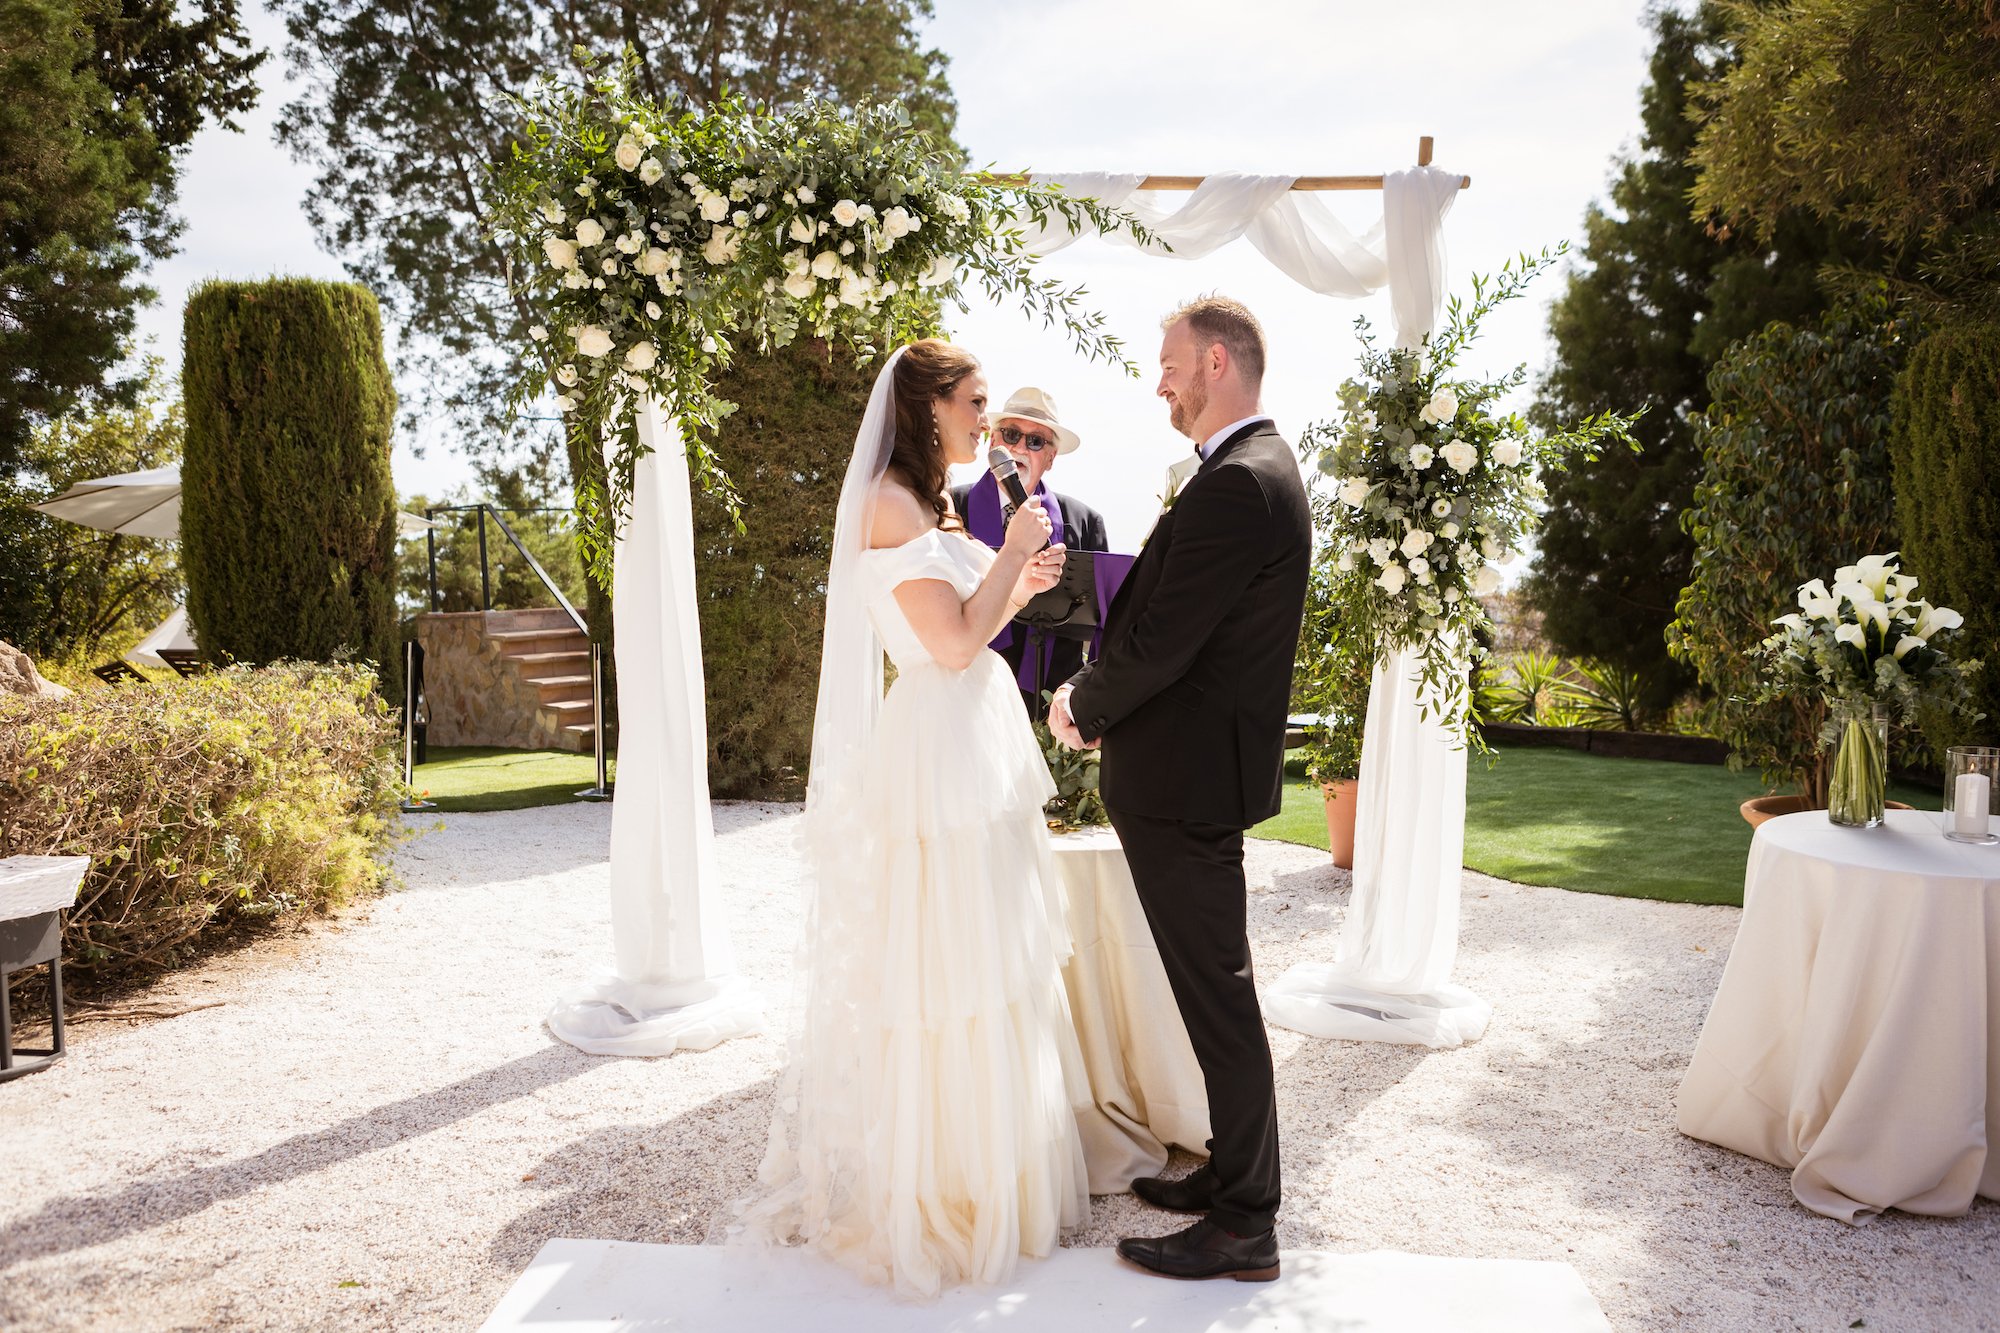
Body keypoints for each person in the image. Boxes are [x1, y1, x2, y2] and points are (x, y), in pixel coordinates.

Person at [737, 340, 1090, 1298]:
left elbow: (979, 619)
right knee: (948, 967)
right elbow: (946, 642)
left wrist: (1020, 578)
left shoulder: (930, 503)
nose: (988, 419)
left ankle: (996, 1162)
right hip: (938, 745)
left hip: (973, 731)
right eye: (977, 401)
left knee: (992, 955)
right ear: (929, 404)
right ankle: (941, 1184)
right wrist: (1013, 552)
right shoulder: (891, 503)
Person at [1050, 297, 1310, 1283]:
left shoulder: (1241, 482)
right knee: (1213, 988)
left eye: (1165, 364)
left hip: (1184, 778)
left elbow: (1166, 641)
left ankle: (1245, 1221)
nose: (1155, 381)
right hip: (1190, 773)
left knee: (1219, 996)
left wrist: (1083, 701)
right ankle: (1230, 1174)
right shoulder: (1246, 473)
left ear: (1213, 362)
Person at [949, 387, 1111, 718]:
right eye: (1010, 434)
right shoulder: (952, 507)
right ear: (993, 443)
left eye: (1036, 441)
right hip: (964, 691)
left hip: (1052, 705)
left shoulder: (1085, 522)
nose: (1020, 447)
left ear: (1050, 458)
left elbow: (1104, 626)